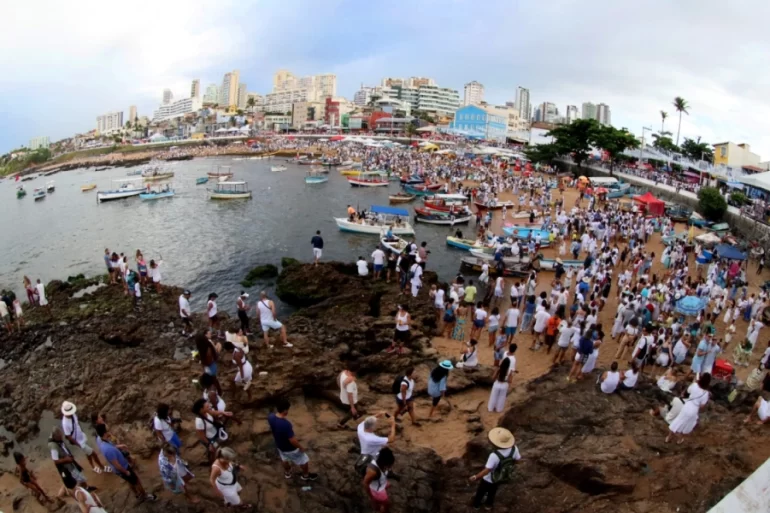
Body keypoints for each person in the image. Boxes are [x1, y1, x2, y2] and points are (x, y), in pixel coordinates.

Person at [96, 424, 156, 501]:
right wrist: (126, 471)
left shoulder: (103, 441)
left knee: (130, 481)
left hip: (123, 467)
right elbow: (116, 465)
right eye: (107, 431)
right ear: (104, 433)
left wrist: (120, 446)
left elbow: (113, 447)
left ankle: (137, 494)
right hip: (123, 468)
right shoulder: (108, 450)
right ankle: (144, 496)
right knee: (136, 481)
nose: (109, 432)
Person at [469, 428, 521, 510]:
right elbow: (518, 460)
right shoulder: (514, 448)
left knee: (480, 492)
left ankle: (476, 505)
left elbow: (487, 470)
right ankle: (488, 506)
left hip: (488, 479)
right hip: (501, 476)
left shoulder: (494, 455)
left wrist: (476, 477)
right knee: (492, 492)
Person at [268, 399, 318, 481]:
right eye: (287, 409)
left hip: (279, 445)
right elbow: (292, 440)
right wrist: (300, 447)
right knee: (303, 459)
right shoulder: (286, 424)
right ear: (284, 410)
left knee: (284, 459)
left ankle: (287, 473)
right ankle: (305, 475)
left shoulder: (271, 417)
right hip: (290, 448)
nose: (288, 411)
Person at [61, 401, 106, 474]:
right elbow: (68, 436)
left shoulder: (73, 415)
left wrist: (82, 433)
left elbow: (77, 424)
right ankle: (102, 467)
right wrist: (79, 445)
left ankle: (93, 467)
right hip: (79, 442)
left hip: (82, 436)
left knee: (88, 453)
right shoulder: (65, 423)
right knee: (93, 453)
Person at [666, 373, 711, 444]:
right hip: (694, 409)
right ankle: (680, 439)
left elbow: (687, 391)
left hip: (687, 406)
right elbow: (702, 406)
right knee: (687, 425)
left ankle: (668, 437)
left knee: (678, 421)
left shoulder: (695, 385)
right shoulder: (706, 394)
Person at [49, 427, 90, 497]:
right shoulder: (53, 447)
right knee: (78, 479)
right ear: (56, 437)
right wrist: (66, 459)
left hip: (70, 462)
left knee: (74, 479)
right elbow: (55, 461)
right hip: (67, 467)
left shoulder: (57, 440)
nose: (62, 437)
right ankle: (83, 490)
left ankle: (85, 488)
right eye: (60, 437)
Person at [193, 398, 232, 463]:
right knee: (215, 451)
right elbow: (201, 436)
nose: (209, 407)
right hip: (210, 439)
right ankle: (214, 462)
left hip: (215, 432)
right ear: (201, 409)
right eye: (207, 406)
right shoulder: (199, 422)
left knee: (217, 447)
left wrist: (223, 413)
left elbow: (213, 413)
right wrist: (209, 444)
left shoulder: (206, 411)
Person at [363, 447, 395, 513]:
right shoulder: (372, 472)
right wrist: (371, 497)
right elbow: (365, 483)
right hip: (376, 490)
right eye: (388, 465)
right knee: (386, 503)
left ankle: (376, 505)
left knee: (388, 484)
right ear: (384, 463)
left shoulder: (378, 455)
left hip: (379, 483)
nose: (390, 467)